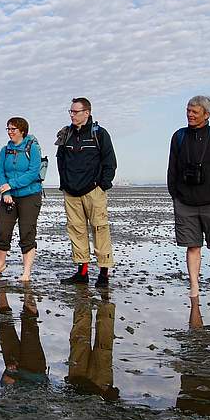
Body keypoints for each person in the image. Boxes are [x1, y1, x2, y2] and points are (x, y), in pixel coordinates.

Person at [168, 95, 210, 302]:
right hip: (185, 203)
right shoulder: (179, 136)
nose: (190, 114)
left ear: (206, 115)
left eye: (194, 112)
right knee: (192, 246)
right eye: (188, 110)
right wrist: (176, 197)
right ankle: (194, 288)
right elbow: (172, 169)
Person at [56, 97, 117, 287]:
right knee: (76, 231)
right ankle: (82, 272)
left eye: (76, 112)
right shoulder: (66, 134)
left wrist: (102, 184)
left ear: (87, 113)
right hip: (71, 192)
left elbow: (109, 161)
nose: (72, 115)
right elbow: (61, 160)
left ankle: (103, 274)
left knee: (100, 229)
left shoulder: (99, 134)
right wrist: (64, 183)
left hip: (94, 191)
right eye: (71, 112)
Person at [0, 117, 43, 282]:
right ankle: (0, 265)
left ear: (22, 131)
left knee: (27, 232)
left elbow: (33, 172)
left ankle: (26, 272)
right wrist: (5, 192)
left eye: (13, 129)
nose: (10, 132)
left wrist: (11, 185)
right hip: (8, 197)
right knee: (2, 231)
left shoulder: (32, 148)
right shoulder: (4, 150)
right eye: (8, 129)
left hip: (30, 195)